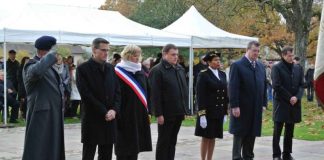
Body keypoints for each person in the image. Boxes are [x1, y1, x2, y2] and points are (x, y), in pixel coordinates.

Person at [76, 38, 121, 160]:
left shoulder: (111, 68)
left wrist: (114, 110)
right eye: (103, 50)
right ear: (94, 50)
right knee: (88, 154)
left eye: (107, 50)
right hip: (92, 117)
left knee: (106, 154)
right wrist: (104, 111)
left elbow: (117, 92)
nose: (106, 53)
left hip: (109, 119)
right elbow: (86, 94)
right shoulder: (83, 69)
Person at [22, 36, 65, 160]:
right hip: (41, 114)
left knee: (52, 148)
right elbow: (35, 73)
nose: (56, 54)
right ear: (44, 51)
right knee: (38, 148)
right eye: (52, 51)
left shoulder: (47, 66)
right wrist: (50, 57)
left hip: (53, 112)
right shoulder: (30, 64)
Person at [149, 44, 189, 160]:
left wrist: (185, 109)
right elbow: (154, 95)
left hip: (178, 111)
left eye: (177, 54)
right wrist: (159, 113)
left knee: (172, 142)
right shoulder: (157, 71)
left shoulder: (179, 69)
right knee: (164, 142)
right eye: (173, 54)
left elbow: (183, 90)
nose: (176, 57)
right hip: (166, 113)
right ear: (164, 54)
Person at [229, 41, 267, 160]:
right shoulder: (237, 65)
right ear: (248, 50)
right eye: (254, 51)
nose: (256, 53)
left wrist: (264, 103)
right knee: (240, 134)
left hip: (256, 107)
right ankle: (236, 157)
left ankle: (248, 156)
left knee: (252, 134)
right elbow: (233, 87)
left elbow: (264, 86)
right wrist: (234, 105)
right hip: (241, 108)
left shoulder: (260, 66)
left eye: (258, 51)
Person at [114, 44, 152, 160]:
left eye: (139, 55)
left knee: (135, 147)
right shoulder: (118, 71)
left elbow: (148, 90)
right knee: (123, 148)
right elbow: (115, 94)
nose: (138, 58)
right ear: (128, 55)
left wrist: (149, 110)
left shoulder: (140, 70)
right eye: (135, 55)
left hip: (138, 115)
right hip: (124, 115)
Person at [271, 47, 304, 160]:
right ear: (284, 55)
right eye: (289, 55)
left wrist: (297, 97)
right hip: (281, 103)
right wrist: (290, 97)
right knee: (277, 131)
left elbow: (301, 85)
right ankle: (276, 155)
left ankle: (287, 153)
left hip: (294, 104)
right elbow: (276, 85)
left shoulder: (298, 68)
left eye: (292, 55)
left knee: (290, 131)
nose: (292, 58)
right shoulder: (276, 67)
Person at [194, 51, 228, 160]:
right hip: (207, 112)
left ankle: (210, 158)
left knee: (213, 137)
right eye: (215, 60)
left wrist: (225, 112)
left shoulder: (222, 74)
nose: (218, 62)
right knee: (206, 137)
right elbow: (200, 96)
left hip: (218, 111)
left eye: (219, 60)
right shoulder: (203, 74)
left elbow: (225, 93)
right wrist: (202, 114)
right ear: (209, 62)